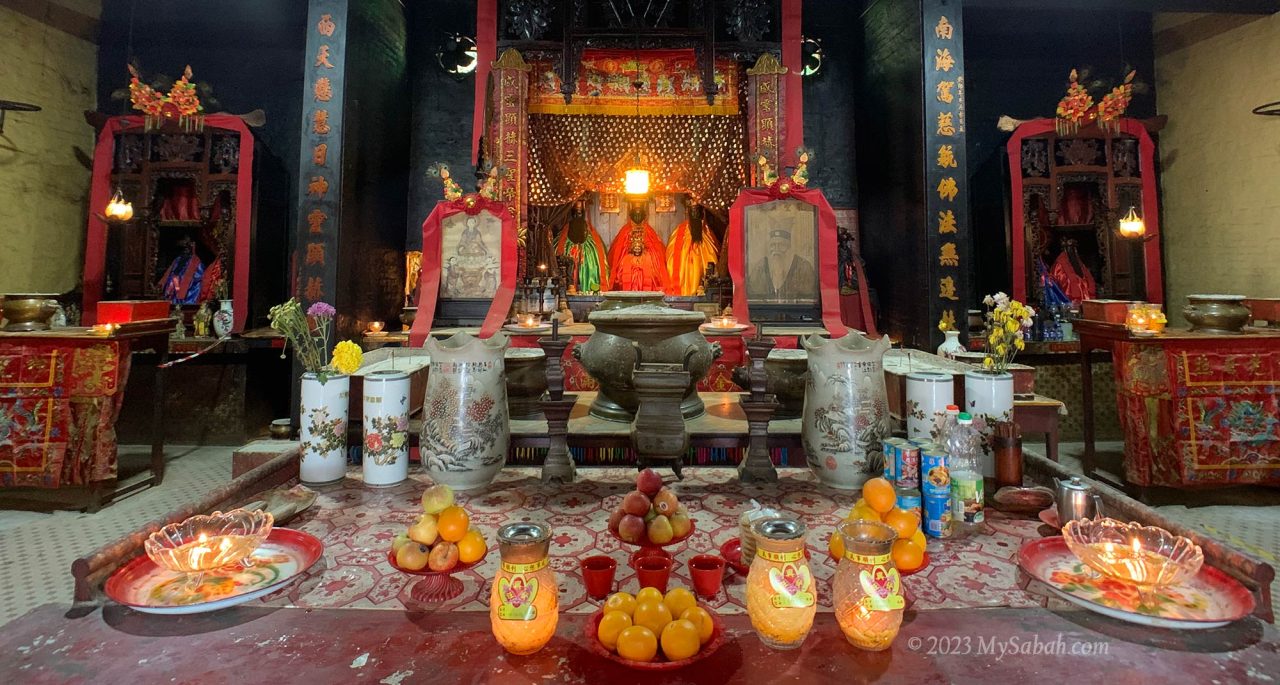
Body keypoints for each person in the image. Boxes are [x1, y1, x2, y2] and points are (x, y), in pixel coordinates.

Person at [608, 202, 669, 292]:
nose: (637, 216)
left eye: (640, 213)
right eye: (635, 213)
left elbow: (656, 252)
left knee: (651, 267)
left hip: (647, 262)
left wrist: (645, 253)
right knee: (624, 267)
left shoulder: (649, 231)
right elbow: (618, 253)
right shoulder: (625, 231)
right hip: (628, 263)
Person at [747, 226, 817, 302]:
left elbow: (808, 297)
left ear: (790, 247)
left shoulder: (803, 267)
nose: (776, 249)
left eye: (781, 245)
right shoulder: (760, 267)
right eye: (773, 245)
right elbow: (754, 295)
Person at [555, 200, 610, 294]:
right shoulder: (562, 241)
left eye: (580, 211)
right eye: (576, 211)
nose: (578, 213)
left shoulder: (594, 243)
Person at [665, 202, 719, 297]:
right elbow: (671, 258)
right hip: (683, 280)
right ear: (688, 212)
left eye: (697, 211)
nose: (695, 214)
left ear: (702, 212)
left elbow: (714, 258)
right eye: (692, 211)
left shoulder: (708, 234)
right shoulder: (679, 233)